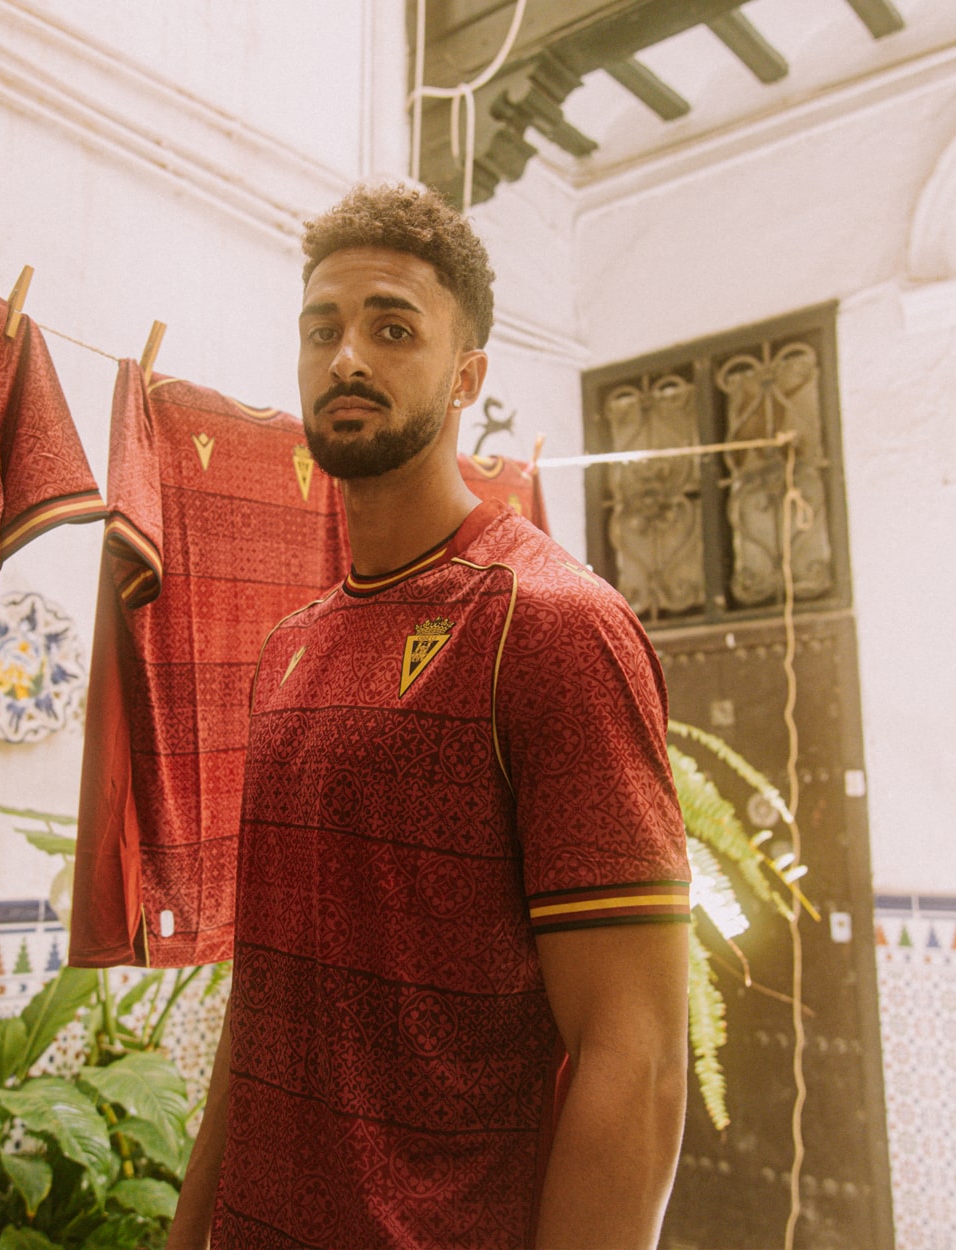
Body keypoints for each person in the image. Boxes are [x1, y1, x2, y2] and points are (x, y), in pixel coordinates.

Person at [167, 184, 692, 1250]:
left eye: (393, 328)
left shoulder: (550, 626)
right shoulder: (289, 650)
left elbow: (635, 1057)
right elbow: (262, 1004)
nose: (347, 358)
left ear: (467, 376)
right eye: (323, 328)